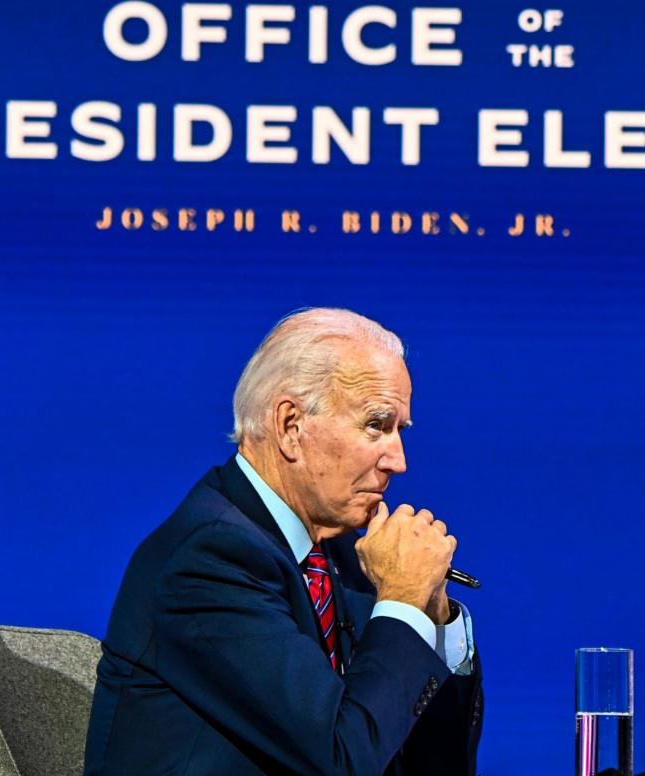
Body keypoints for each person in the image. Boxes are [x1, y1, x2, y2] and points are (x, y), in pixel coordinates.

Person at [83, 308, 483, 775]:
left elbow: (437, 767)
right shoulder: (207, 562)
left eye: (400, 431)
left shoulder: (344, 558)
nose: (398, 461)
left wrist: (434, 617)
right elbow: (342, 760)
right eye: (377, 425)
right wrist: (402, 604)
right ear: (291, 426)